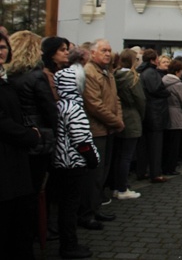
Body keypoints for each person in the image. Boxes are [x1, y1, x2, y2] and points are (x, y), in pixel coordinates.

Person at [6, 31, 59, 235]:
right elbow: (50, 110)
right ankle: (37, 231)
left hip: (18, 139)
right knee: (34, 190)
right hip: (37, 139)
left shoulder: (10, 77)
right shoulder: (37, 77)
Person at [0, 32, 41, 259]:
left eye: (3, 47)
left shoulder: (6, 79)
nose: (1, 51)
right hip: (6, 156)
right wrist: (28, 135)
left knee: (20, 215)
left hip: (16, 156)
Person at [54, 63, 100, 259]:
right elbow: (81, 140)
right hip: (73, 163)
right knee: (70, 207)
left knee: (66, 205)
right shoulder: (74, 108)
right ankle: (69, 245)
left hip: (61, 162)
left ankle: (68, 243)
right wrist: (92, 159)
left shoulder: (60, 104)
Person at [79, 39, 124, 230]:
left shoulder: (108, 72)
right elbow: (94, 105)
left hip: (109, 129)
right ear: (93, 53)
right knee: (94, 175)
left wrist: (118, 119)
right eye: (104, 50)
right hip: (96, 129)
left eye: (109, 50)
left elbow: (116, 99)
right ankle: (86, 214)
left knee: (102, 173)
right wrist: (116, 121)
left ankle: (95, 208)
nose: (108, 53)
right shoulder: (89, 72)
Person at [113, 49, 145, 200]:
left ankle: (116, 185)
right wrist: (142, 114)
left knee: (119, 155)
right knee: (126, 156)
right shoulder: (132, 78)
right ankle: (122, 188)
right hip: (131, 116)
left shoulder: (115, 75)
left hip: (118, 116)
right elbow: (140, 99)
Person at [136, 49, 170, 183]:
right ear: (152, 60)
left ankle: (142, 171)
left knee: (145, 145)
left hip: (150, 112)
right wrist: (166, 92)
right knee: (155, 145)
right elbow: (156, 89)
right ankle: (155, 173)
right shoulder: (151, 73)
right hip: (155, 112)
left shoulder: (144, 72)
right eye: (157, 58)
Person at [162, 59, 182, 175]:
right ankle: (171, 167)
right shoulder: (178, 84)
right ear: (178, 71)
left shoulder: (162, 80)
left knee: (166, 143)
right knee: (174, 144)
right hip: (176, 115)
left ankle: (164, 166)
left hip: (164, 113)